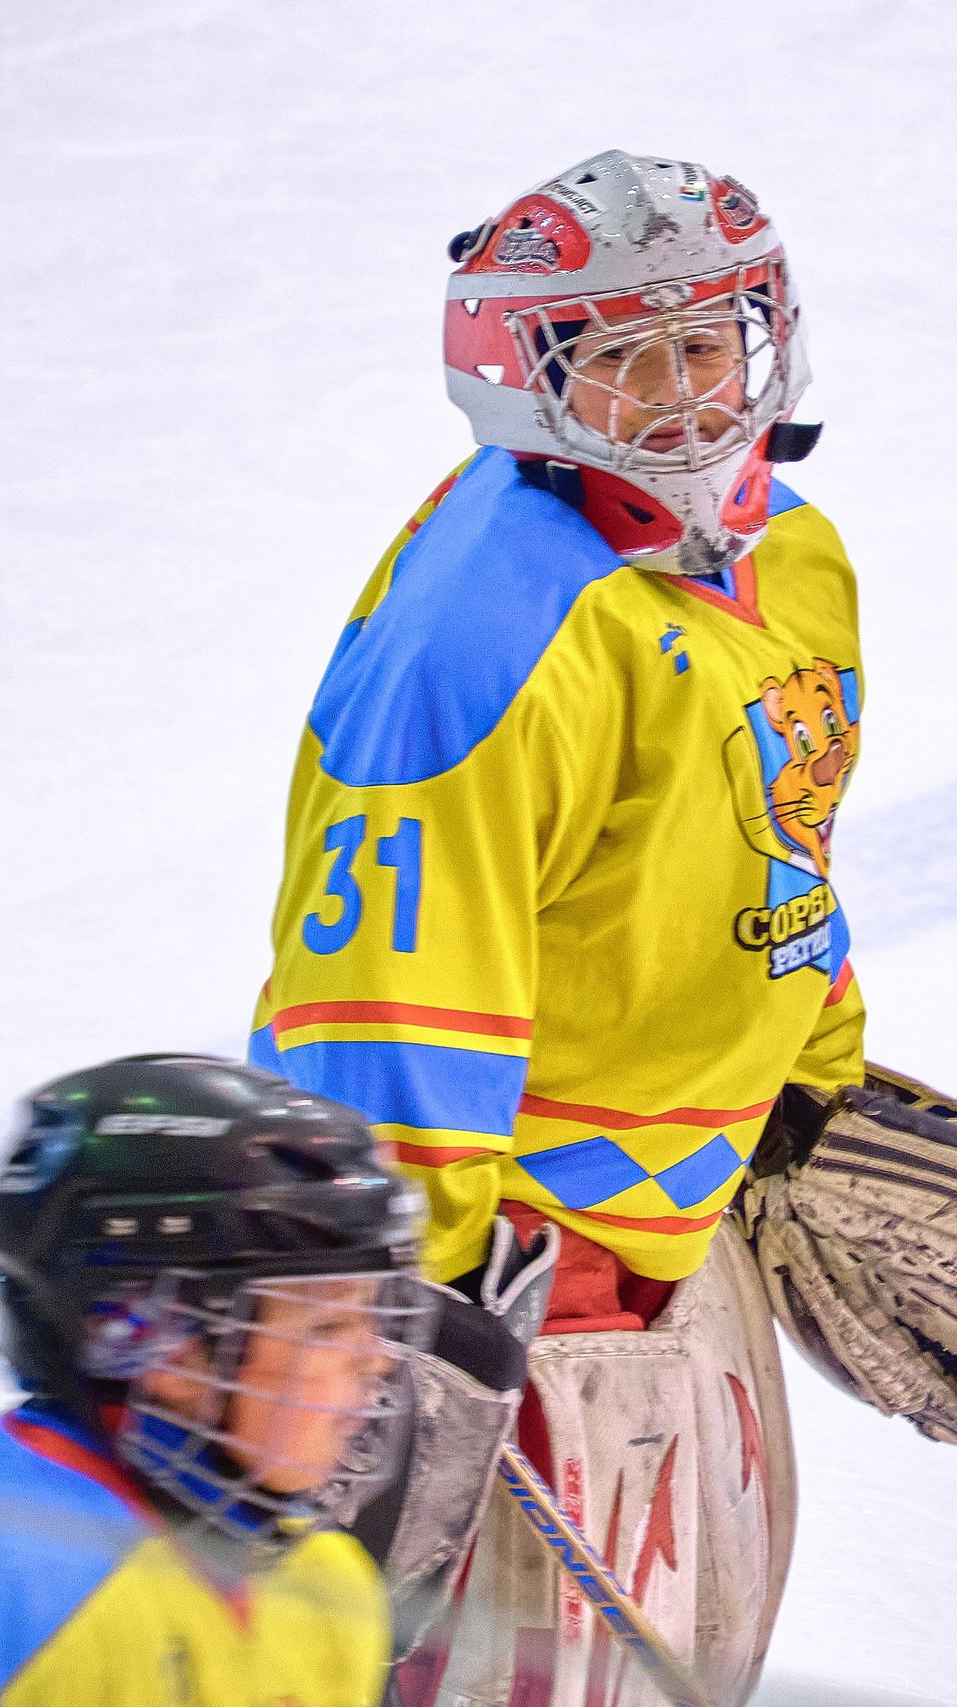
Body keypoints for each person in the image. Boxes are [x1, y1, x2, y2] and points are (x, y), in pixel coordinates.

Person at [248, 148, 863, 1707]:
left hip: (686, 1214)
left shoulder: (791, 552)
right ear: (529, 377)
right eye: (626, 358)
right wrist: (411, 1329)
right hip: (530, 1266)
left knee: (695, 1660)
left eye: (710, 342)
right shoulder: (492, 636)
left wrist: (819, 1082)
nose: (683, 396)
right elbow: (387, 999)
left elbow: (780, 838)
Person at [0, 1054, 439, 1707]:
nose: (376, 1359)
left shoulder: (326, 1582)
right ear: (164, 1343)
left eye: (373, 1319)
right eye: (327, 1327)